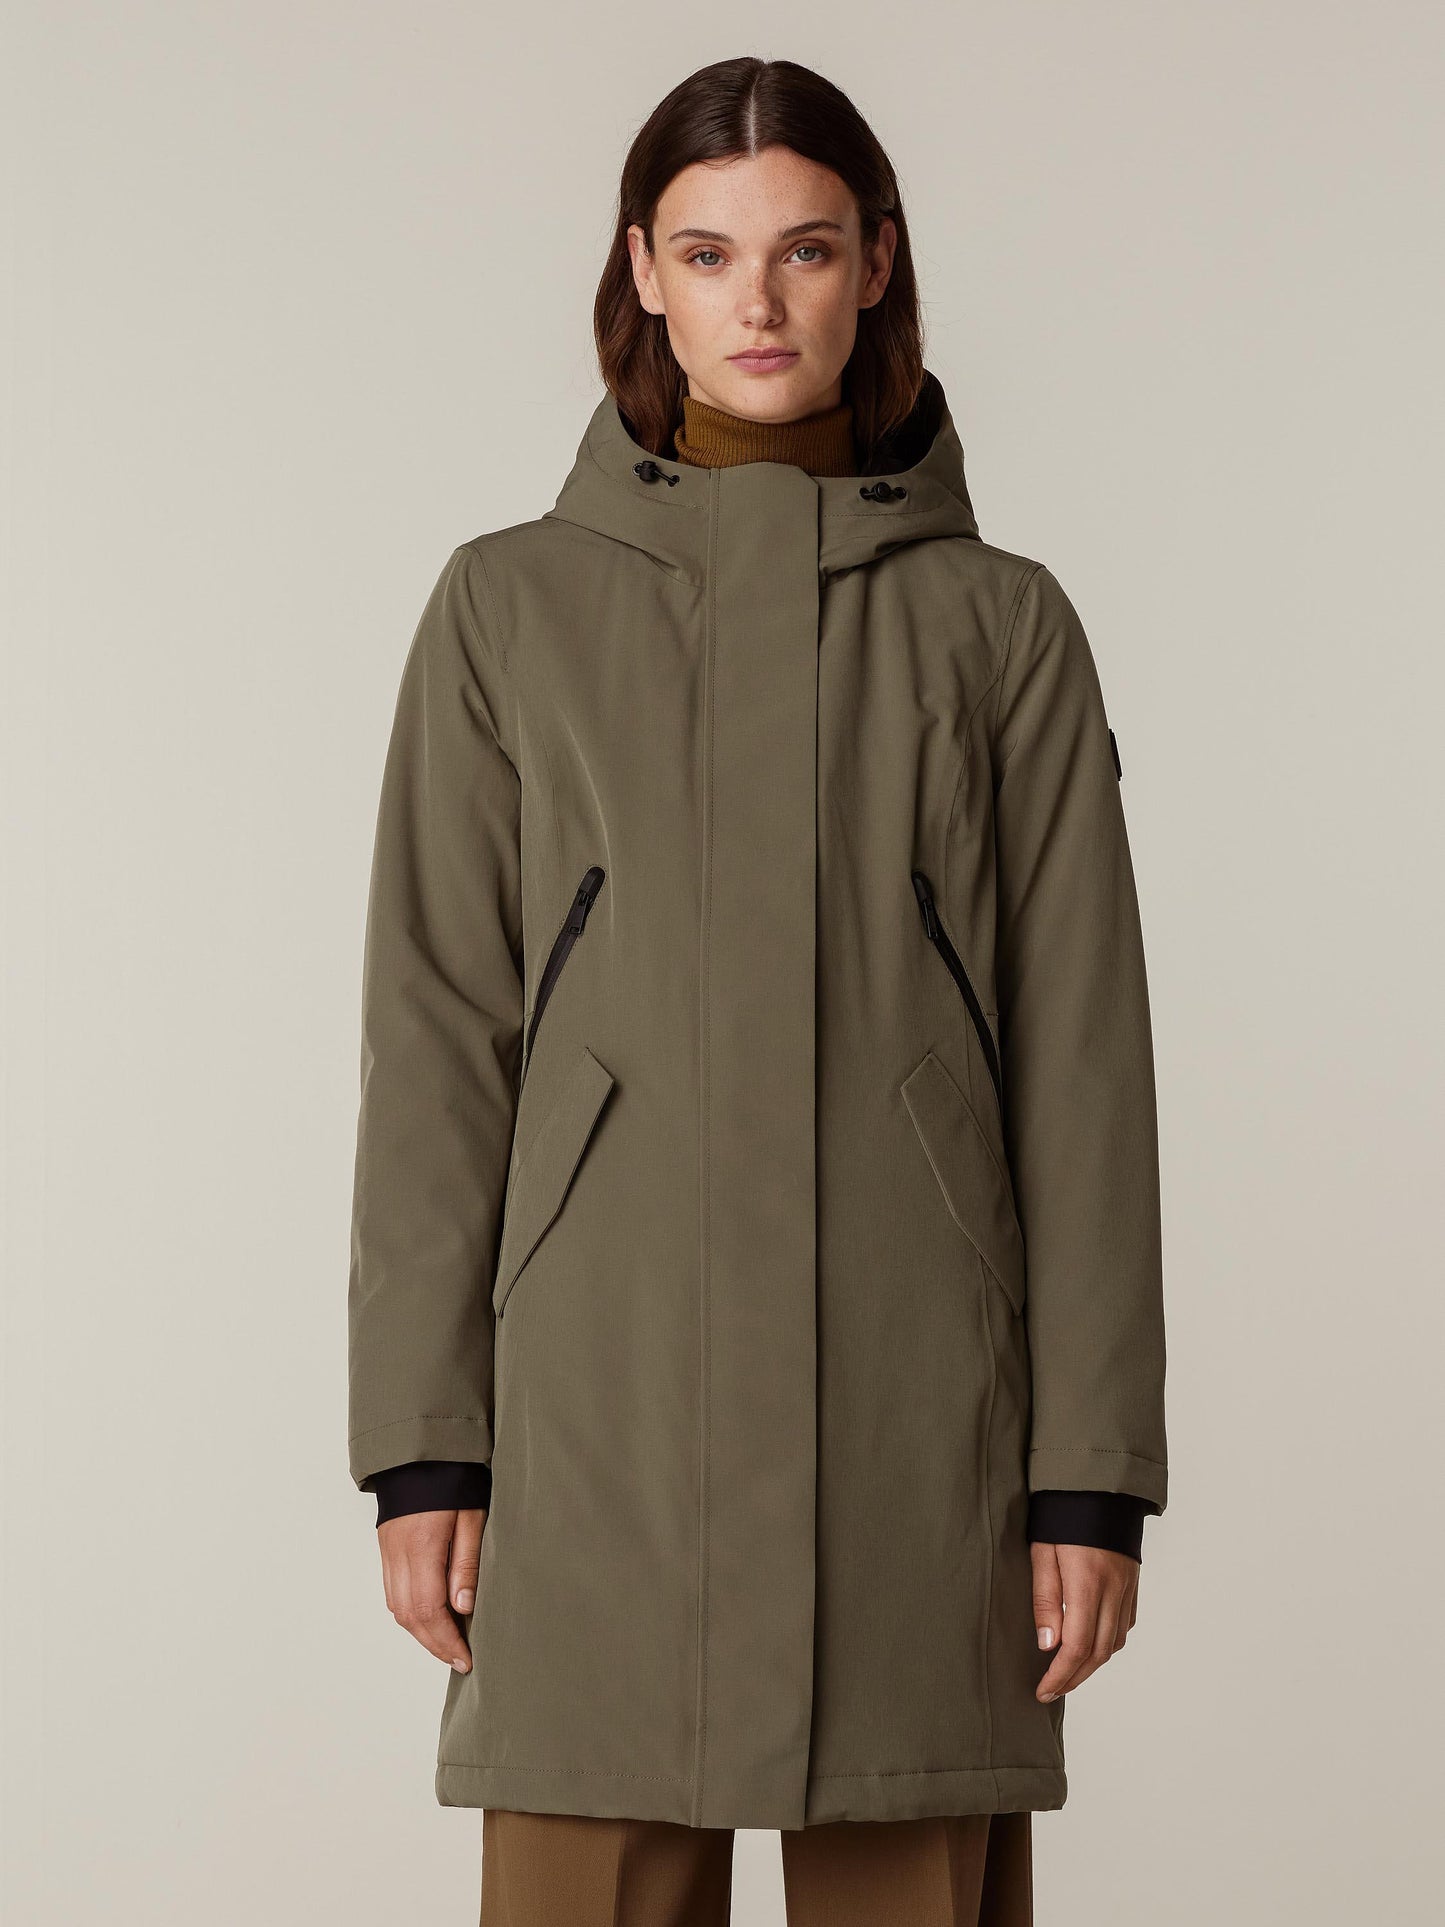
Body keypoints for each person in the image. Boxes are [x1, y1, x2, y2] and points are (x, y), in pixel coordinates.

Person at [347, 54, 1168, 1927]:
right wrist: (423, 1444)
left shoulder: (1001, 626)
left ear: (875, 262)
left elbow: (1081, 1067)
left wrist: (1087, 1478)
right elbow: (437, 1041)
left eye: (803, 249)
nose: (759, 301)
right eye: (709, 253)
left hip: (918, 1422)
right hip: (593, 1416)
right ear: (642, 271)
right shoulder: (505, 610)